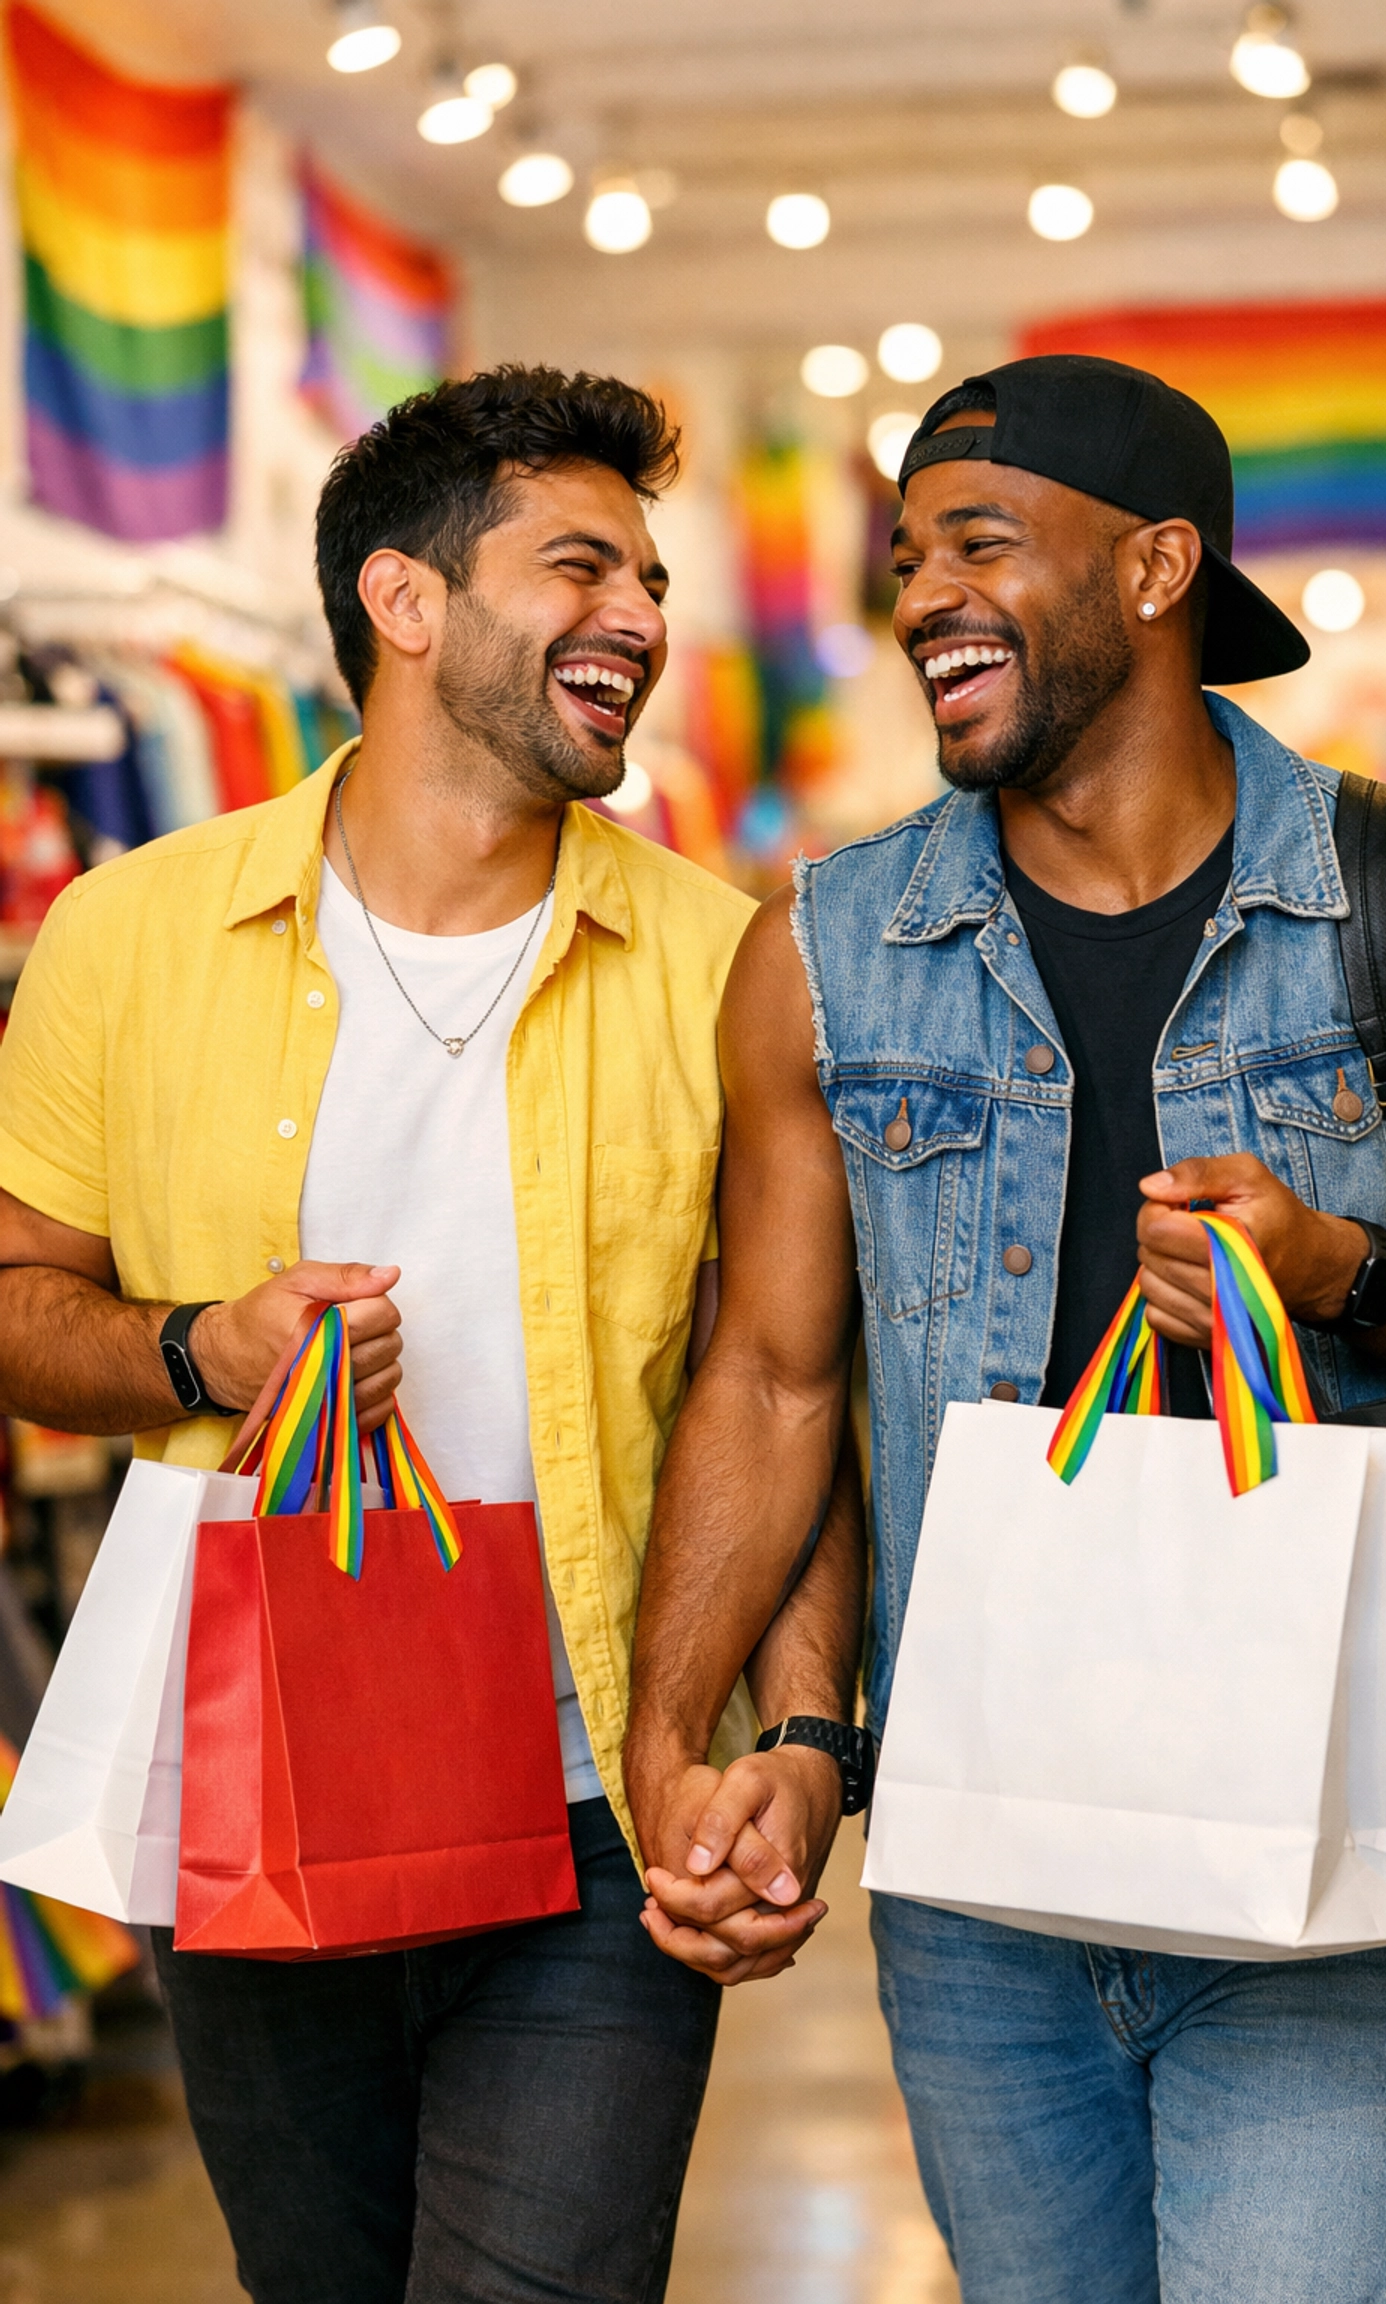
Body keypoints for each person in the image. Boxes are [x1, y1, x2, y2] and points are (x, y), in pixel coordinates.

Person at [624, 353, 1386, 2301]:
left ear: (1155, 570)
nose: (921, 595)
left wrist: (1348, 1274)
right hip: (985, 1846)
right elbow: (777, 1380)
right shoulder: (824, 953)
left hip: (1319, 1825)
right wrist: (679, 1731)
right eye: (902, 559)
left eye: (980, 541)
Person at [0, 364, 863, 2304]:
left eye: (651, 579)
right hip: (267, 1773)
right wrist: (199, 1355)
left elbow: (791, 1388)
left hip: (596, 1818)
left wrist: (793, 1741)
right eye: (583, 567)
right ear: (404, 602)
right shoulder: (128, 939)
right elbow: (17, 1304)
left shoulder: (724, 964)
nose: (642, 619)